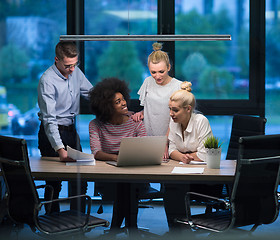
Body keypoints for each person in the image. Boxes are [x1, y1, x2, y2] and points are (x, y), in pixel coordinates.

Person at [37, 41, 92, 214]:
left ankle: (78, 221)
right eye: (68, 65)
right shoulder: (47, 80)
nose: (72, 69)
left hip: (70, 131)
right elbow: (49, 119)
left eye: (75, 64)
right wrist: (60, 150)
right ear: (57, 60)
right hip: (51, 135)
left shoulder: (75, 71)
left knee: (81, 180)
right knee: (54, 183)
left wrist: (110, 102)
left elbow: (91, 93)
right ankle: (51, 221)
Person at [88, 77, 147, 229]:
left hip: (135, 173)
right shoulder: (96, 125)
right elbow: (96, 152)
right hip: (109, 176)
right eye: (117, 102)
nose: (123, 103)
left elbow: (144, 146)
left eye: (123, 99)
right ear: (106, 107)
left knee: (127, 185)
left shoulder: (136, 121)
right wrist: (117, 158)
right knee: (124, 186)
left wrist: (125, 159)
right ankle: (131, 228)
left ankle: (116, 229)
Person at [164, 81, 223, 231]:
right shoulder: (173, 122)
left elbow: (205, 153)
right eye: (170, 109)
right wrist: (183, 157)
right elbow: (171, 149)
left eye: (175, 110)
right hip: (182, 173)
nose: (171, 114)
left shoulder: (201, 121)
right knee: (171, 186)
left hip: (204, 178)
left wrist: (184, 155)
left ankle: (180, 229)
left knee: (174, 188)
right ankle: (177, 229)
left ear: (188, 109)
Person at [132, 42, 182, 158]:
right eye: (153, 72)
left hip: (170, 138)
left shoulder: (178, 86)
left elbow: (177, 118)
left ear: (169, 67)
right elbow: (151, 106)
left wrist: (165, 142)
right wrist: (141, 113)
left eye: (161, 71)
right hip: (148, 136)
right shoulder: (148, 82)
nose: (157, 76)